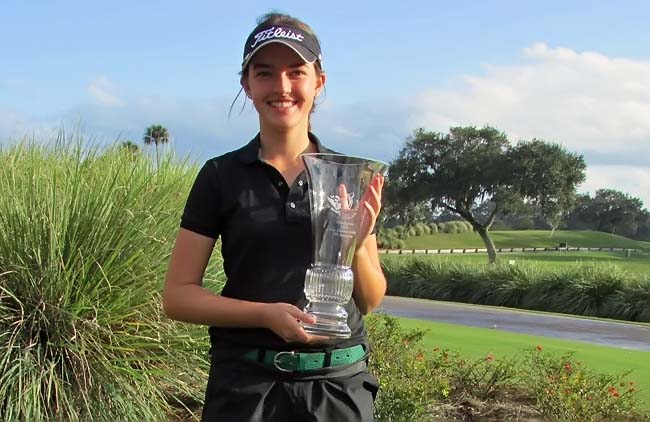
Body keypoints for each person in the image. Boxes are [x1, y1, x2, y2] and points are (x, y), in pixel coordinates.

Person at [162, 12, 386, 422]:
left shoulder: (346, 175)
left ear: (319, 81)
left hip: (339, 387)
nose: (281, 87)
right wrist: (265, 315)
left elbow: (369, 300)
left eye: (295, 72)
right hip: (247, 388)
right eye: (265, 73)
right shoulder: (221, 176)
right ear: (247, 84)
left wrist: (353, 242)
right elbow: (178, 296)